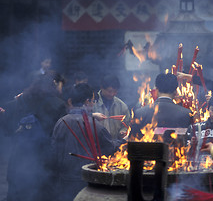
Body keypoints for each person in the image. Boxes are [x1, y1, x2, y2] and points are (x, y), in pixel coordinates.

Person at [51, 83, 125, 201]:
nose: (93, 103)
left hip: (64, 179)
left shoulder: (61, 122)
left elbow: (54, 150)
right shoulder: (95, 126)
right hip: (86, 179)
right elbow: (110, 148)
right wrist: (123, 141)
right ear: (87, 102)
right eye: (92, 100)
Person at [6, 72, 67, 201]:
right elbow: (61, 135)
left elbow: (7, 128)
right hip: (44, 162)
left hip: (19, 159)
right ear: (55, 84)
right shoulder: (58, 105)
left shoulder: (20, 101)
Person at [93, 74, 131, 139]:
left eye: (115, 91)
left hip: (116, 145)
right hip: (97, 145)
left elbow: (127, 124)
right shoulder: (93, 103)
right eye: (109, 91)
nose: (112, 94)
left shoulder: (121, 106)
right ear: (102, 88)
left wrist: (123, 131)